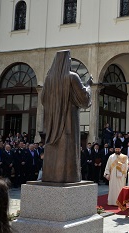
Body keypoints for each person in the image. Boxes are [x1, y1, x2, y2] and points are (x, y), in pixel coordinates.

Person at [41, 50, 91, 183]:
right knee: (67, 148)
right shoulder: (71, 77)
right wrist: (88, 86)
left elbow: (43, 99)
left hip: (52, 122)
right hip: (68, 120)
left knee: (55, 148)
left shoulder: (49, 79)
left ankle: (51, 176)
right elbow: (84, 98)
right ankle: (68, 177)